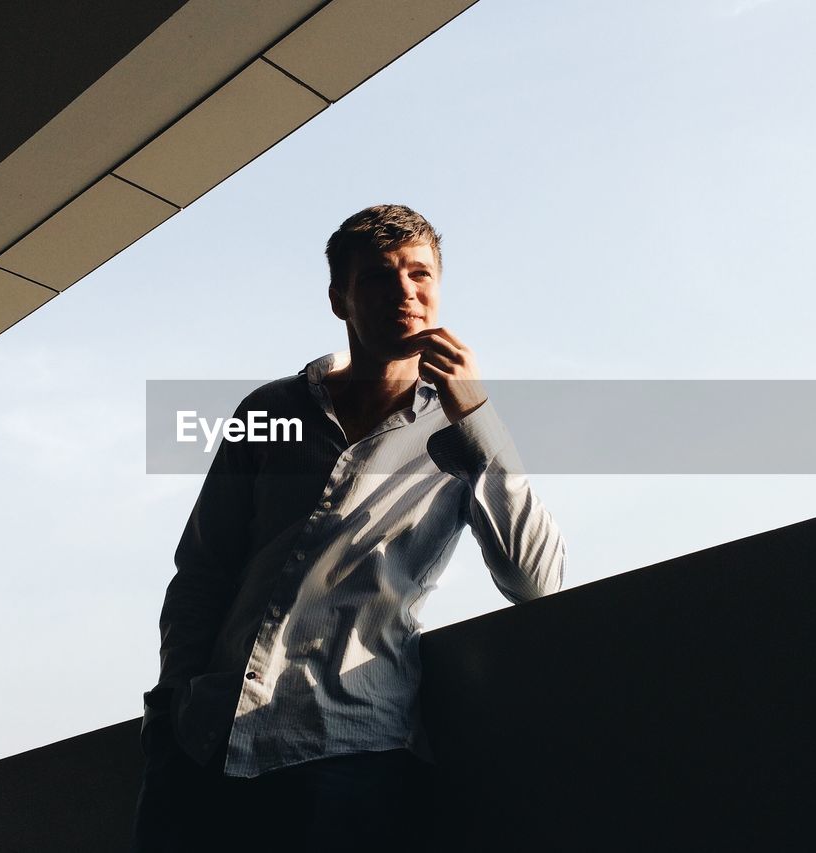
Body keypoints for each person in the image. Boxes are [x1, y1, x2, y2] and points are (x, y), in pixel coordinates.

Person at [132, 204, 565, 851]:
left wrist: (478, 415)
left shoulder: (460, 429)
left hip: (350, 751)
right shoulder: (270, 410)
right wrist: (176, 703)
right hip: (207, 746)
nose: (405, 294)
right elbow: (201, 571)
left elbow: (537, 580)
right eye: (380, 279)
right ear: (341, 298)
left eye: (420, 275)